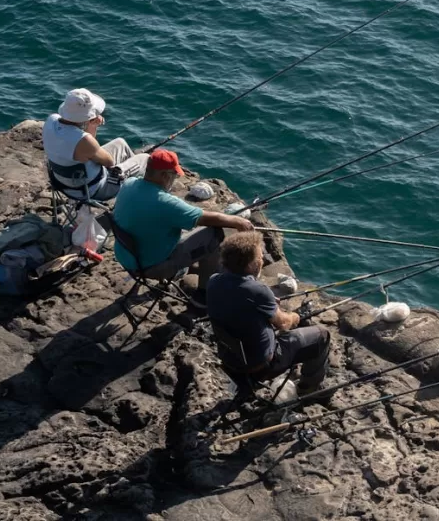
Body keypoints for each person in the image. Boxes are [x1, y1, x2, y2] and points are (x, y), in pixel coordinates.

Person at [112, 148, 253, 303]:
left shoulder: (129, 184)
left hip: (126, 256)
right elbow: (207, 218)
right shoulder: (166, 203)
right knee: (214, 234)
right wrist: (239, 221)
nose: (175, 179)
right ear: (164, 175)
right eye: (174, 175)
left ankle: (198, 271)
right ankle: (203, 296)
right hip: (150, 266)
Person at [207, 231, 331, 397]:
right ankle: (309, 390)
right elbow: (285, 324)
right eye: (259, 257)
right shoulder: (258, 292)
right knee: (322, 335)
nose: (262, 260)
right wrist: (296, 316)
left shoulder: (214, 280)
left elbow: (240, 297)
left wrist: (266, 303)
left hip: (230, 360)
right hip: (262, 366)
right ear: (250, 264)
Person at [42, 88, 148, 201]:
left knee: (120, 143)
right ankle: (139, 195)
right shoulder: (84, 140)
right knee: (145, 158)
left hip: (63, 184)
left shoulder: (51, 120)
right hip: (94, 190)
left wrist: (91, 125)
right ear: (87, 116)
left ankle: (132, 187)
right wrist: (92, 125)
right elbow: (109, 162)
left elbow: (83, 146)